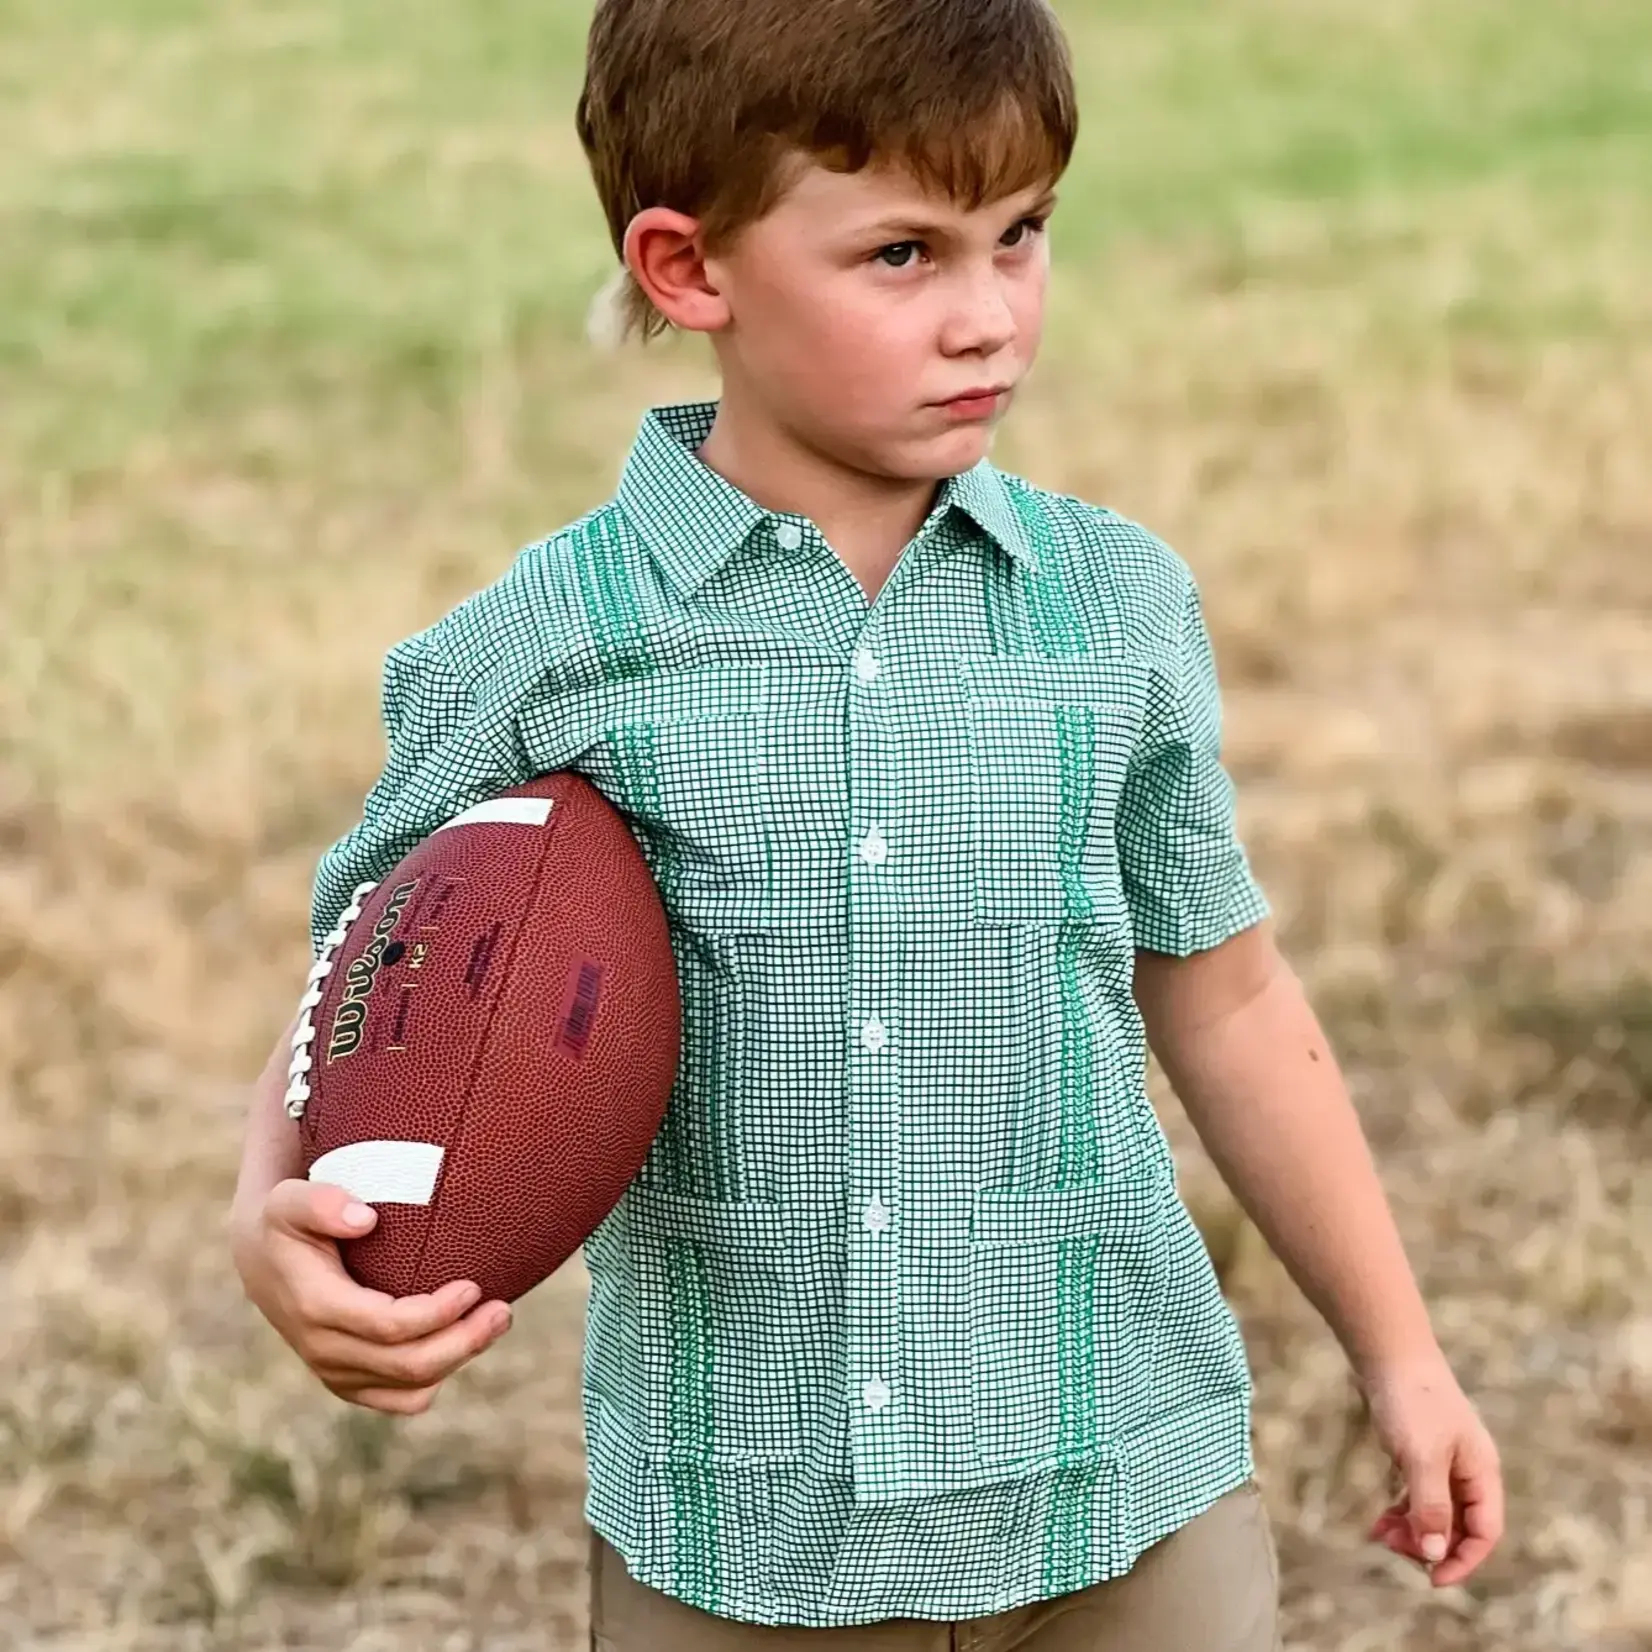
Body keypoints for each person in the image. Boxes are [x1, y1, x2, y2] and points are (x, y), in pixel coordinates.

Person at [229, 0, 1505, 1645]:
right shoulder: (544, 645)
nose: (990, 319)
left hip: (1126, 1499)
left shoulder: (1113, 607)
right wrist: (269, 1210)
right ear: (689, 269)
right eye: (904, 255)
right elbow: (375, 971)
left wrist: (1403, 1357)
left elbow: (1232, 994)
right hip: (740, 1535)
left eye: (1021, 234)